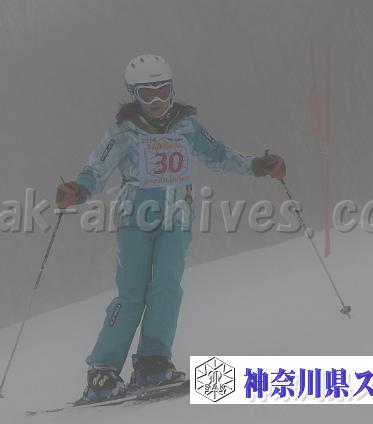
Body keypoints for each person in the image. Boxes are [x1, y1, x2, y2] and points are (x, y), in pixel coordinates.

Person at [56, 54, 286, 402]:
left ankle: (153, 363)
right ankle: (102, 371)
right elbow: (96, 168)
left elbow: (219, 154)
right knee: (132, 293)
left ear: (172, 89)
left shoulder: (187, 126)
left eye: (162, 91)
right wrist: (80, 188)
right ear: (134, 95)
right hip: (135, 220)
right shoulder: (123, 132)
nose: (156, 101)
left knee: (166, 287)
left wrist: (257, 165)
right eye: (147, 94)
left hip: (176, 218)